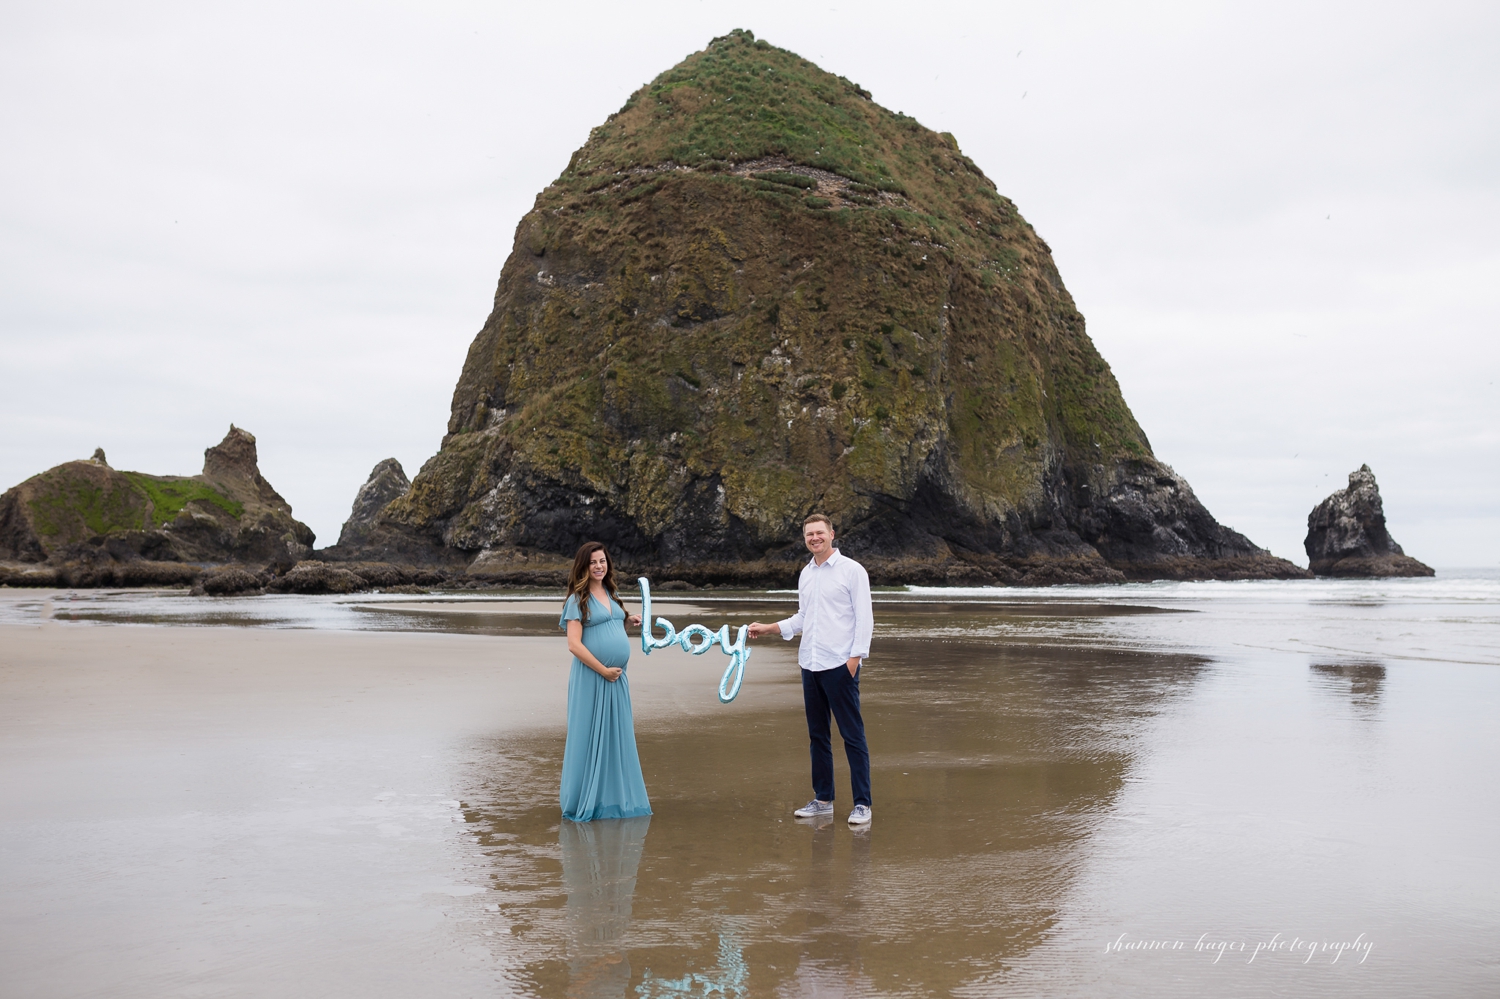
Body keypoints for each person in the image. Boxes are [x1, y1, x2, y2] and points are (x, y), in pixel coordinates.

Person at [748, 514, 874, 826]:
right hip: (811, 664)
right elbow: (803, 618)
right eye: (809, 534)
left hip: (840, 665)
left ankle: (862, 805)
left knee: (852, 736)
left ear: (832, 534)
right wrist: (768, 629)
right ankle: (823, 800)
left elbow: (865, 618)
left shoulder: (852, 571)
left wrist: (854, 660)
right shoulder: (806, 573)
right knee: (818, 736)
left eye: (819, 533)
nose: (814, 538)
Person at [558, 541, 652, 822]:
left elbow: (609, 623)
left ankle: (614, 799)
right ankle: (585, 800)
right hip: (593, 677)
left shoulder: (611, 594)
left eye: (603, 561)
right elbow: (574, 645)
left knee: (616, 736)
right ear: (584, 567)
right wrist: (603, 670)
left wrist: (628, 618)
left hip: (616, 680)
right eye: (593, 562)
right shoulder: (577, 599)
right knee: (588, 736)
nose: (599, 566)